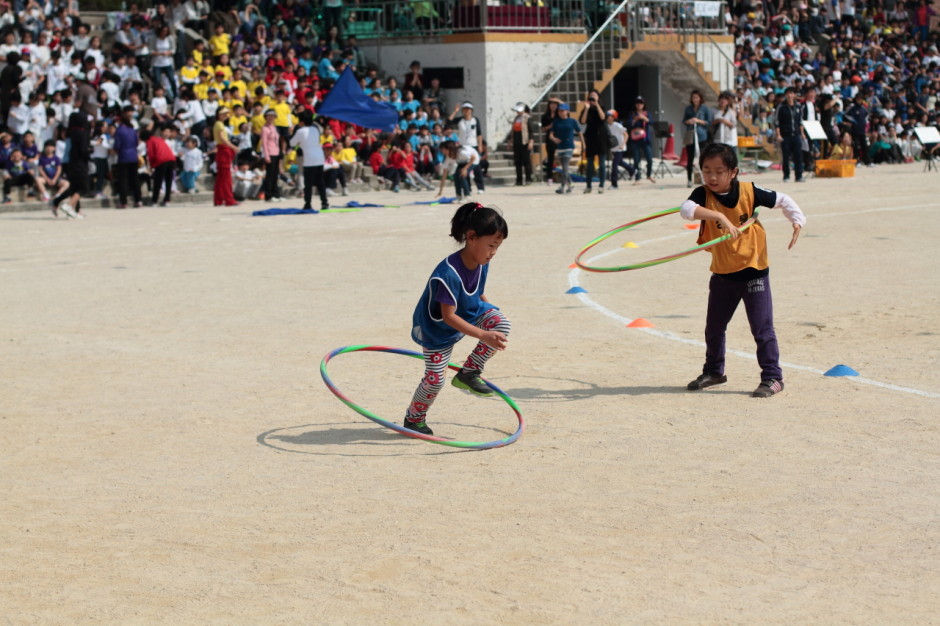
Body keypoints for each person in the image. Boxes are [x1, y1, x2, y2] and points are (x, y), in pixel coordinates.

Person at [680, 143, 806, 398]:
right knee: (714, 327)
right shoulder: (703, 194)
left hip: (753, 271)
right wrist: (720, 218)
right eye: (706, 171)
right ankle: (715, 371)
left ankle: (773, 377)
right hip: (723, 273)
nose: (712, 177)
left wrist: (797, 221)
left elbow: (783, 200)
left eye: (718, 171)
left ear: (733, 172)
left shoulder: (750, 191)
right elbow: (686, 210)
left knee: (761, 328)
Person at [404, 202, 511, 435]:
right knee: (435, 380)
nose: (494, 251)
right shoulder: (448, 274)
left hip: (467, 314)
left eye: (498, 246)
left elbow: (478, 293)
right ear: (471, 237)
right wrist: (483, 334)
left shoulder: (482, 262)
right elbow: (448, 316)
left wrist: (489, 315)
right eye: (491, 245)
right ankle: (414, 418)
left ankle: (469, 372)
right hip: (438, 330)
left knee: (501, 324)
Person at [289, 110, 328, 212]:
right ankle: (325, 203)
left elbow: (292, 143)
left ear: (301, 122)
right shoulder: (315, 129)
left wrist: (291, 133)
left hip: (309, 159)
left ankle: (308, 203)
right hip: (319, 157)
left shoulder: (300, 131)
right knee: (320, 182)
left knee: (308, 183)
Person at [548, 102, 584, 195]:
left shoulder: (572, 121)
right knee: (565, 168)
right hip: (560, 147)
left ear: (567, 111)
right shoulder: (556, 121)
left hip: (569, 147)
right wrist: (554, 139)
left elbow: (579, 132)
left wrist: (584, 144)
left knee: (565, 167)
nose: (561, 112)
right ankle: (570, 183)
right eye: (559, 111)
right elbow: (550, 134)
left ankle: (562, 186)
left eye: (563, 110)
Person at [112, 106, 142, 209]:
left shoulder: (119, 130)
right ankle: (138, 200)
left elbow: (117, 146)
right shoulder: (133, 130)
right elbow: (136, 143)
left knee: (123, 180)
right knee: (135, 179)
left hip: (123, 157)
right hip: (133, 156)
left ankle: (123, 202)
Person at [578, 89, 607, 193]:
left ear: (598, 97)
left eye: (595, 96)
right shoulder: (587, 108)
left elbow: (603, 117)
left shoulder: (602, 107)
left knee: (602, 164)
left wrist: (597, 105)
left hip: (601, 137)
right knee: (590, 164)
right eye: (591, 96)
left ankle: (601, 185)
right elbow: (582, 121)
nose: (593, 98)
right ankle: (588, 185)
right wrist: (586, 108)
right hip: (590, 137)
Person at [682, 89, 712, 187]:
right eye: (693, 97)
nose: (695, 99)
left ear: (700, 98)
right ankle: (690, 180)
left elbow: (709, 122)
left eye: (697, 97)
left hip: (701, 136)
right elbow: (684, 121)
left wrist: (698, 121)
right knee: (690, 159)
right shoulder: (688, 109)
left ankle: (703, 179)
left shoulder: (705, 109)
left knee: (703, 159)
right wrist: (689, 121)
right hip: (691, 136)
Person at [775, 87, 805, 182]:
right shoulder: (781, 107)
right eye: (788, 93)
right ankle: (786, 175)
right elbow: (777, 122)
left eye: (792, 93)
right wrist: (778, 135)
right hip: (785, 135)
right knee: (786, 157)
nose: (790, 95)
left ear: (794, 95)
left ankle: (799, 175)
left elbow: (800, 121)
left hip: (796, 134)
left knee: (798, 156)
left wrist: (802, 133)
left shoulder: (799, 106)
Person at [143, 127, 176, 207]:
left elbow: (150, 154)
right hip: (171, 159)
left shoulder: (150, 141)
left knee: (158, 181)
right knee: (168, 181)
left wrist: (151, 166)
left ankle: (154, 200)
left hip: (161, 160)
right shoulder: (159, 139)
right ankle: (167, 200)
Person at [213, 106, 239, 207]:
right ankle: (229, 199)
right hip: (224, 151)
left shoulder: (219, 124)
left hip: (222, 151)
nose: (225, 116)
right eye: (223, 114)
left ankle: (219, 200)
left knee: (221, 178)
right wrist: (233, 147)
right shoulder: (219, 124)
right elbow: (223, 139)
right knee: (226, 178)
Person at [626, 96, 654, 184]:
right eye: (637, 103)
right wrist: (635, 119)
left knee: (649, 159)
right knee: (636, 160)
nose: (639, 105)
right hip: (635, 139)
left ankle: (649, 175)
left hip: (645, 139)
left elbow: (651, 122)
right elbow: (629, 125)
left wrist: (644, 118)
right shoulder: (632, 114)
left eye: (641, 103)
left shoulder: (647, 113)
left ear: (643, 104)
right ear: (635, 104)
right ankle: (637, 178)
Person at [260, 108, 282, 202]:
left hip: (276, 152)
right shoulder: (264, 129)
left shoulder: (274, 127)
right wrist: (266, 155)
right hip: (270, 152)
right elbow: (264, 143)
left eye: (272, 116)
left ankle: (275, 194)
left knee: (275, 174)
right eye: (269, 116)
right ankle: (268, 195)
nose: (271, 118)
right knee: (270, 175)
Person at [510, 102, 533, 186]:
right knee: (517, 162)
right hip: (516, 142)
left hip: (525, 142)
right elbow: (513, 131)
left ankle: (528, 178)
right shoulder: (516, 118)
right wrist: (511, 140)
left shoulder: (527, 117)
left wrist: (531, 141)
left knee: (526, 161)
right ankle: (519, 180)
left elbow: (531, 131)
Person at [606, 110, 629, 189]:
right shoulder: (607, 126)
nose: (607, 117)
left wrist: (622, 144)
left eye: (609, 116)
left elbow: (626, 135)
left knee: (614, 165)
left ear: (613, 117)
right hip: (613, 148)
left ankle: (614, 184)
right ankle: (633, 171)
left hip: (620, 148)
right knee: (620, 162)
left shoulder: (618, 126)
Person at [541, 98, 559, 184]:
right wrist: (551, 126)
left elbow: (567, 109)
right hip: (549, 138)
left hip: (559, 136)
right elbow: (543, 128)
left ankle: (564, 176)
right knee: (550, 157)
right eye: (551, 104)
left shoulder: (560, 114)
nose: (553, 105)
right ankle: (549, 177)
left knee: (562, 157)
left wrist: (558, 100)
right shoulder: (545, 116)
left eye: (555, 104)